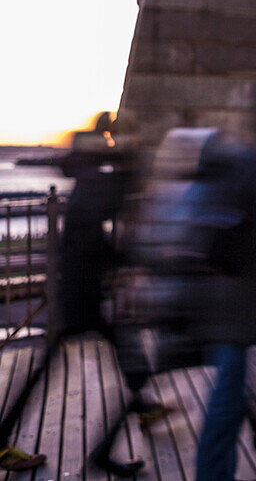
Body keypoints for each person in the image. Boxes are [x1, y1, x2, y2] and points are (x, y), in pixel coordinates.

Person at [0, 114, 166, 476]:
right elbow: (110, 217)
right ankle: (107, 445)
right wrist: (132, 160)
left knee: (119, 357)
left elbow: (100, 231)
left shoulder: (86, 180)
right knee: (51, 371)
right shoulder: (92, 183)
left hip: (78, 294)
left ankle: (139, 409)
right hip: (81, 298)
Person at [189, 134, 256, 481]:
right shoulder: (255, 170)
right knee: (228, 397)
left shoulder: (219, 181)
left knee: (235, 389)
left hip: (223, 305)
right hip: (238, 308)